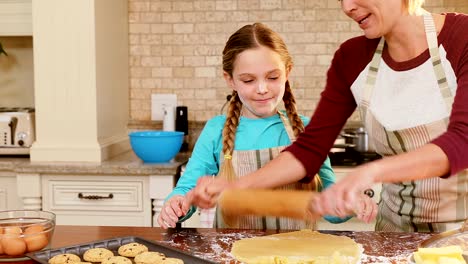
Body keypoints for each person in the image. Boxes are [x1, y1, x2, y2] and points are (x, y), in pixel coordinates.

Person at [188, 1, 468, 232]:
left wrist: (370, 171)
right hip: (393, 232)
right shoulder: (351, 57)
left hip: (461, 234)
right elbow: (309, 149)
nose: (347, 6)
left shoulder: (463, 37)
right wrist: (234, 187)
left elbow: (462, 141)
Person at [157, 22, 377, 230]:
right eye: (248, 80)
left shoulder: (307, 130)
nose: (262, 89)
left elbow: (329, 205)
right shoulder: (217, 130)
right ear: (230, 79)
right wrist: (176, 203)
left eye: (272, 77)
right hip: (234, 255)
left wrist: (351, 202)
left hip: (299, 255)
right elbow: (187, 189)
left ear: (287, 72)